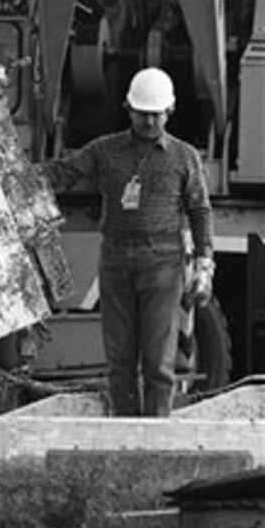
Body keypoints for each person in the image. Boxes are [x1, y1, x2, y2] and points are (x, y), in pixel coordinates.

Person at [41, 67, 214, 418]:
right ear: (128, 109)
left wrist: (204, 263)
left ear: (170, 111)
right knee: (120, 363)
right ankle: (125, 436)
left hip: (163, 263)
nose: (150, 122)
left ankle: (154, 438)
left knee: (158, 364)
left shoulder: (184, 157)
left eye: (156, 114)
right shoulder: (105, 151)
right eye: (143, 113)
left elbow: (199, 210)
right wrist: (16, 176)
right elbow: (64, 173)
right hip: (116, 260)